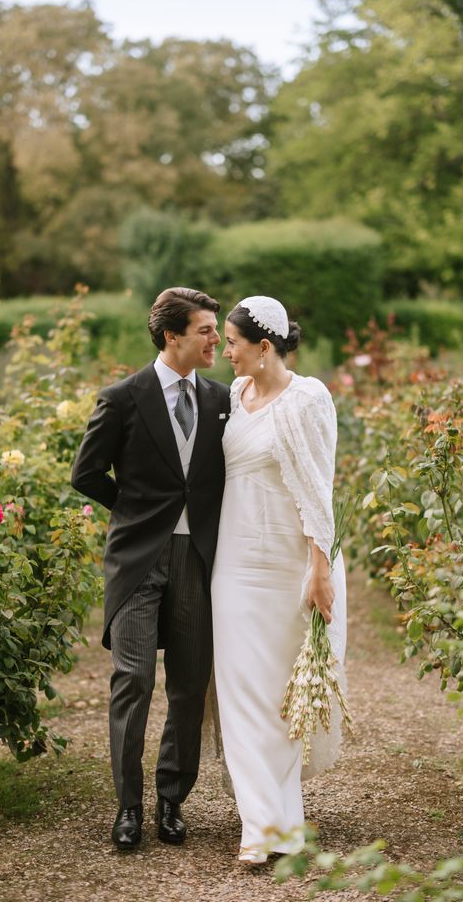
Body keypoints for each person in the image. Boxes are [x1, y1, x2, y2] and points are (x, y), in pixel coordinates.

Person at [71, 287, 230, 851]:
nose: (217, 339)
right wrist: (136, 511)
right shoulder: (122, 397)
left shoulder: (221, 400)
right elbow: (85, 474)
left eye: (216, 330)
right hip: (138, 559)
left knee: (189, 684)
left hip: (198, 557)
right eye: (207, 330)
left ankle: (171, 800)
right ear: (172, 336)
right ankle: (129, 807)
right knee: (133, 680)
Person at [211, 295, 347, 864]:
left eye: (232, 343)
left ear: (264, 347)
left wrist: (319, 571)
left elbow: (319, 490)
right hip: (234, 566)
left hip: (290, 564)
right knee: (239, 691)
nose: (225, 352)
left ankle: (283, 820)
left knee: (281, 696)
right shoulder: (233, 400)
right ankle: (260, 826)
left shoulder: (308, 398)